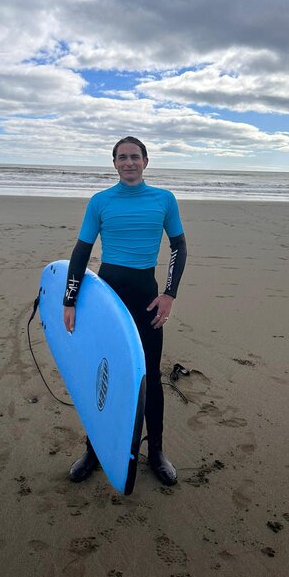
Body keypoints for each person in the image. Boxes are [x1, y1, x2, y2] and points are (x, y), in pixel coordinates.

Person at [63, 136, 187, 486]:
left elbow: (179, 246)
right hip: (106, 301)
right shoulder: (100, 202)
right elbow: (81, 252)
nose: (129, 162)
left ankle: (157, 452)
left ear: (146, 161)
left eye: (135, 157)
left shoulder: (164, 200)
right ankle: (94, 449)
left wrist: (169, 295)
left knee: (150, 376)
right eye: (122, 157)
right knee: (102, 374)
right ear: (114, 163)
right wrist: (70, 300)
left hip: (147, 298)